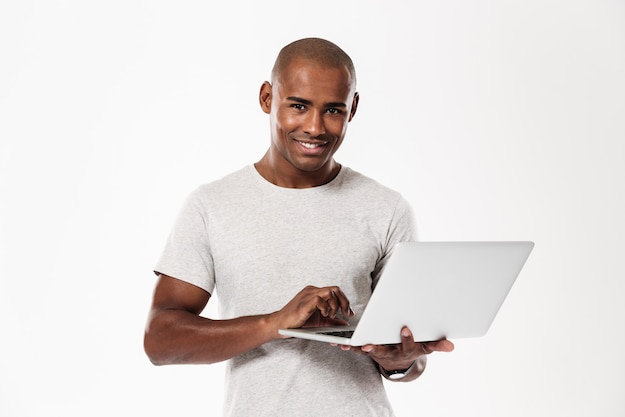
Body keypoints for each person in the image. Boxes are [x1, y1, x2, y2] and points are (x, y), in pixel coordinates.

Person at [144, 37, 454, 416]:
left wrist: (400, 359)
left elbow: (411, 362)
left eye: (333, 110)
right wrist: (277, 323)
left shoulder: (386, 208)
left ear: (353, 108)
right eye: (299, 106)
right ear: (266, 98)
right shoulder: (212, 205)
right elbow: (160, 341)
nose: (315, 127)